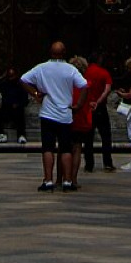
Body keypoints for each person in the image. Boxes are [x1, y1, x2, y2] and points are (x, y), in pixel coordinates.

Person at [21, 41, 87, 192]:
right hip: (65, 115)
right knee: (66, 149)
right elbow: (84, 86)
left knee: (48, 148)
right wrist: (78, 105)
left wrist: (36, 93)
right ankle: (68, 181)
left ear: (50, 53)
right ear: (64, 54)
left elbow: (23, 79)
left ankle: (48, 180)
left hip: (48, 114)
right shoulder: (70, 69)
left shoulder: (42, 68)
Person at [82, 52, 116, 173]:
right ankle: (107, 162)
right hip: (100, 107)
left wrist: (88, 102)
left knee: (88, 138)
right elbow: (107, 89)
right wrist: (98, 101)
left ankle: (89, 164)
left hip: (87, 107)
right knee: (106, 136)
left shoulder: (85, 73)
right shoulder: (104, 72)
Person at [68, 56, 93, 188]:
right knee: (77, 148)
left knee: (64, 149)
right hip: (81, 117)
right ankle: (73, 179)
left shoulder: (67, 83)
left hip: (67, 117)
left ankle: (62, 179)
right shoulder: (86, 83)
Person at [0, 67, 28, 145]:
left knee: (20, 112)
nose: (11, 79)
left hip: (16, 109)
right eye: (9, 76)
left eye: (12, 76)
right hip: (6, 108)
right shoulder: (4, 84)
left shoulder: (21, 85)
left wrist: (18, 104)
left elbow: (25, 100)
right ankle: (0, 134)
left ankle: (21, 135)